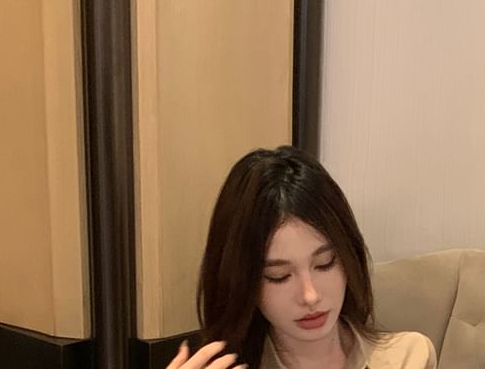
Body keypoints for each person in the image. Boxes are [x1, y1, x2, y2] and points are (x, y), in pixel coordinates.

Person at [167, 146, 436, 369]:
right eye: (279, 276)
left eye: (325, 263)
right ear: (242, 282)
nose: (310, 296)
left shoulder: (407, 357)